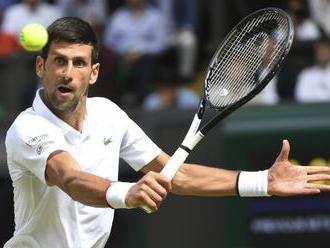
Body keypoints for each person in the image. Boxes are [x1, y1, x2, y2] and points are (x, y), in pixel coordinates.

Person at [5, 17, 330, 248]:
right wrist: (126, 194)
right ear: (40, 67)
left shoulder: (108, 114)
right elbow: (71, 179)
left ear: (93, 73)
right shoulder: (28, 128)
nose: (67, 73)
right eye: (59, 61)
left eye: (78, 63)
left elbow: (176, 175)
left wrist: (263, 183)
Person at [295, 37, 330, 102]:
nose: (322, 53)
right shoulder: (305, 75)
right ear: (315, 53)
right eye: (320, 50)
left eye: (325, 50)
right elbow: (301, 98)